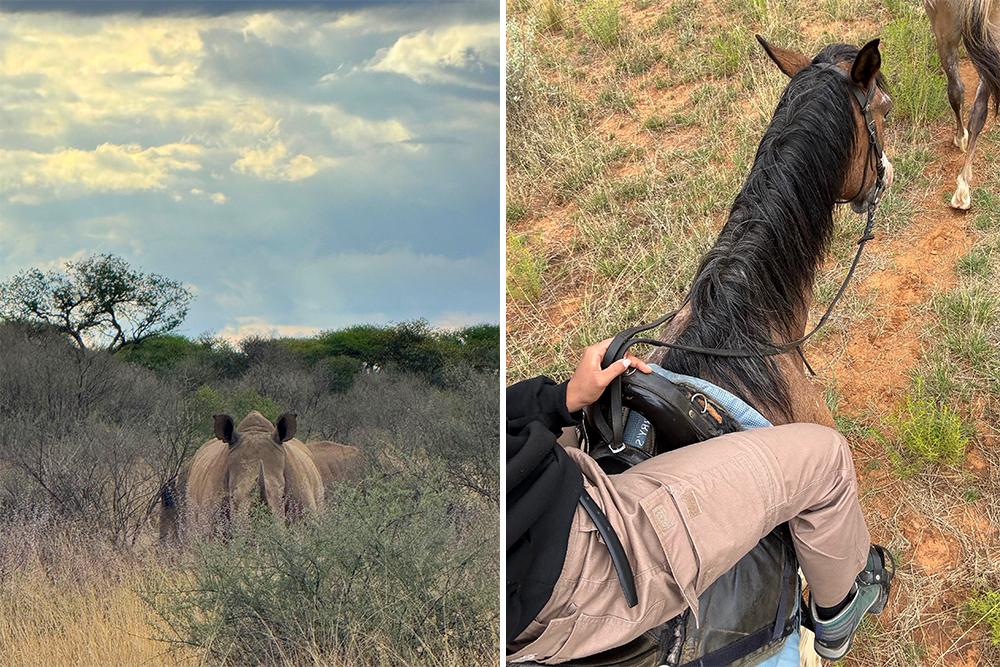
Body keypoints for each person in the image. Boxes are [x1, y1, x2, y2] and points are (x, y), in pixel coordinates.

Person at [507, 338, 894, 664]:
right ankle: (836, 617)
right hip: (566, 556)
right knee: (824, 460)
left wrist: (561, 398)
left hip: (541, 483)